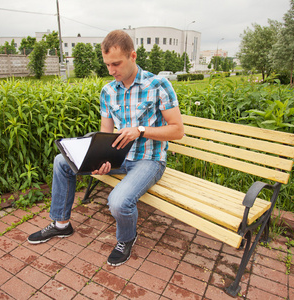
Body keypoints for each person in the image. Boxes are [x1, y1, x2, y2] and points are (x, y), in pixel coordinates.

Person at [28, 30, 184, 266]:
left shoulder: (158, 85)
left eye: (116, 64)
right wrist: (101, 159)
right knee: (62, 161)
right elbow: (106, 134)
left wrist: (140, 130)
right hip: (118, 159)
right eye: (107, 65)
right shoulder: (108, 91)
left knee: (119, 201)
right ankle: (62, 224)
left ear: (133, 56)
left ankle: (127, 238)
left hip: (148, 160)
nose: (111, 71)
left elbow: (177, 130)